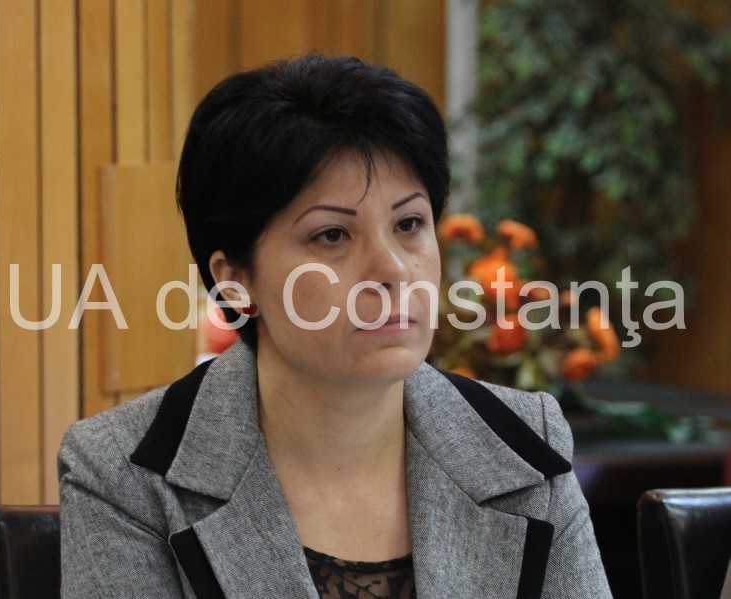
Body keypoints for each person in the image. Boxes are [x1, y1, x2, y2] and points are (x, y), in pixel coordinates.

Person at [59, 54, 612, 598]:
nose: (393, 269)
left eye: (409, 224)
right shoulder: (124, 474)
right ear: (235, 281)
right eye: (331, 235)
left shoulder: (524, 444)